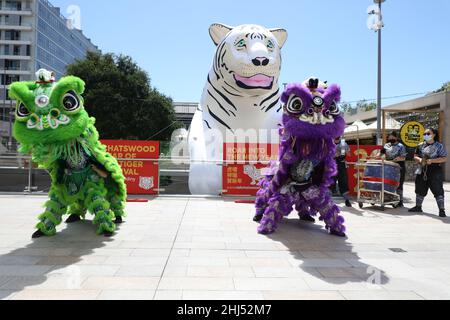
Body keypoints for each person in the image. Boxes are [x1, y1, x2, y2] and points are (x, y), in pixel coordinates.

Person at [409, 128, 448, 217]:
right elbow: (415, 156)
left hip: (435, 170)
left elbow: (444, 158)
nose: (425, 135)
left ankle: (441, 210)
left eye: (428, 133)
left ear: (434, 134)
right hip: (422, 169)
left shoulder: (439, 146)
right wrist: (420, 159)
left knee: (438, 190)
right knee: (419, 187)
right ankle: (418, 207)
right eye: (424, 134)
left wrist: (432, 161)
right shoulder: (420, 145)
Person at [382, 131, 407, 207]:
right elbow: (381, 153)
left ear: (396, 137)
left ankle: (400, 200)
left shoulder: (401, 146)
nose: (390, 138)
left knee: (399, 183)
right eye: (389, 137)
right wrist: (379, 156)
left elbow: (403, 157)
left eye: (392, 137)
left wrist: (398, 158)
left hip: (398, 167)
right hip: (388, 167)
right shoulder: (386, 145)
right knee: (387, 183)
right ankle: (388, 198)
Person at [333, 137, 352, 208]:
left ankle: (347, 200)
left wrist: (346, 151)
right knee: (330, 182)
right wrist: (334, 155)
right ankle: (328, 201)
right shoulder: (329, 142)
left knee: (344, 182)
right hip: (332, 164)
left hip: (341, 164)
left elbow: (349, 154)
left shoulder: (343, 143)